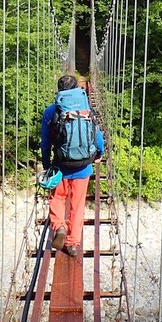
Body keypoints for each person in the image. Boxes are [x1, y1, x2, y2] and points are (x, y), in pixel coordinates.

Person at [40, 74, 104, 258]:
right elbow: (97, 136)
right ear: (77, 89)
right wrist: (99, 154)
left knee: (57, 198)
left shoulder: (51, 111)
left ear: (59, 91)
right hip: (83, 167)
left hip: (60, 165)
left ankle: (59, 226)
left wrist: (47, 166)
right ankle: (73, 243)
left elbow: (45, 143)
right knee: (77, 205)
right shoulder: (87, 108)